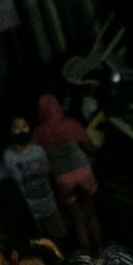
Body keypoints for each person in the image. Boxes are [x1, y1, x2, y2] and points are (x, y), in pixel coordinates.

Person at [33, 92, 102, 248]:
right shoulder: (71, 124)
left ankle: (87, 259)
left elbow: (38, 161)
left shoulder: (38, 134)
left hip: (62, 179)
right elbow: (89, 148)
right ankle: (102, 252)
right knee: (91, 216)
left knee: (78, 221)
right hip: (83, 172)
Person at [0, 112, 66, 243]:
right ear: (10, 132)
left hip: (50, 208)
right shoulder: (6, 157)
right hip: (28, 214)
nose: (21, 130)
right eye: (16, 127)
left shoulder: (39, 150)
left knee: (59, 243)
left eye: (24, 126)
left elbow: (50, 175)